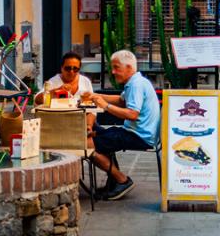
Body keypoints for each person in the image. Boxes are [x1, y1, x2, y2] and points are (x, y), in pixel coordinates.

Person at [80, 50, 160, 201]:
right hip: (136, 132)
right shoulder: (135, 82)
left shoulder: (136, 85)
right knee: (99, 133)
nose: (113, 71)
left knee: (87, 144)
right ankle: (113, 181)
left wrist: (105, 106)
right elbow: (121, 100)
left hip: (139, 136)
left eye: (117, 67)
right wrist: (96, 96)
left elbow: (132, 114)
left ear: (129, 67)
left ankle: (122, 180)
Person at [36, 51, 96, 131]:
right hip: (59, 125)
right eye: (68, 68)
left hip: (83, 124)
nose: (71, 72)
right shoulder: (54, 82)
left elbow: (92, 109)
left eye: (75, 69)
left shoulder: (85, 81)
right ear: (61, 68)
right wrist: (57, 90)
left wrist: (89, 125)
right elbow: (37, 99)